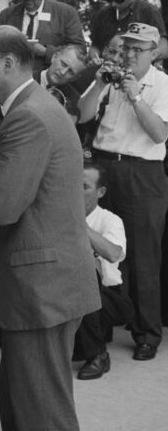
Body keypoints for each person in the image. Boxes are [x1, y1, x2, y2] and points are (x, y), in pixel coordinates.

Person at [0, 25, 99, 430]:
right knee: (23, 405)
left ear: (8, 63)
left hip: (41, 289)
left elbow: (2, 206)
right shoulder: (33, 107)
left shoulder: (29, 117)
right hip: (41, 285)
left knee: (40, 412)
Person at [78, 22, 168, 361]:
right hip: (105, 165)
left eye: (138, 48)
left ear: (154, 52)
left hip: (142, 170)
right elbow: (83, 115)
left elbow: (159, 134)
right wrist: (99, 84)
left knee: (143, 255)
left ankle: (146, 332)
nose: (129, 54)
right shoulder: (112, 76)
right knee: (100, 246)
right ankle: (102, 323)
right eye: (126, 47)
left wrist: (135, 95)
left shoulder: (162, 85)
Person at [75, 161, 134, 380]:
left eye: (84, 187)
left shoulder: (110, 220)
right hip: (65, 293)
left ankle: (98, 355)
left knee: (85, 276)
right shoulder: (56, 215)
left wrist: (79, 225)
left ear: (101, 192)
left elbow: (113, 253)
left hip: (110, 298)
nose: (76, 191)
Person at [0, 0, 86, 76]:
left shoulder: (65, 13)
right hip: (12, 76)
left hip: (48, 77)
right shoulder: (7, 15)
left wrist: (46, 52)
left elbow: (79, 48)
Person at [89, 0, 168, 61]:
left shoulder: (149, 10)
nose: (113, 4)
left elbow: (164, 47)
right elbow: (95, 45)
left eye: (119, 0)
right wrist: (95, 59)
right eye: (110, 0)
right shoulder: (103, 13)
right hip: (107, 66)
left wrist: (142, 59)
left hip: (136, 69)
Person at [38, 44, 88, 122]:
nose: (62, 72)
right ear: (54, 57)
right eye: (63, 64)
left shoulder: (74, 100)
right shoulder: (24, 78)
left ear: (75, 78)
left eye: (71, 72)